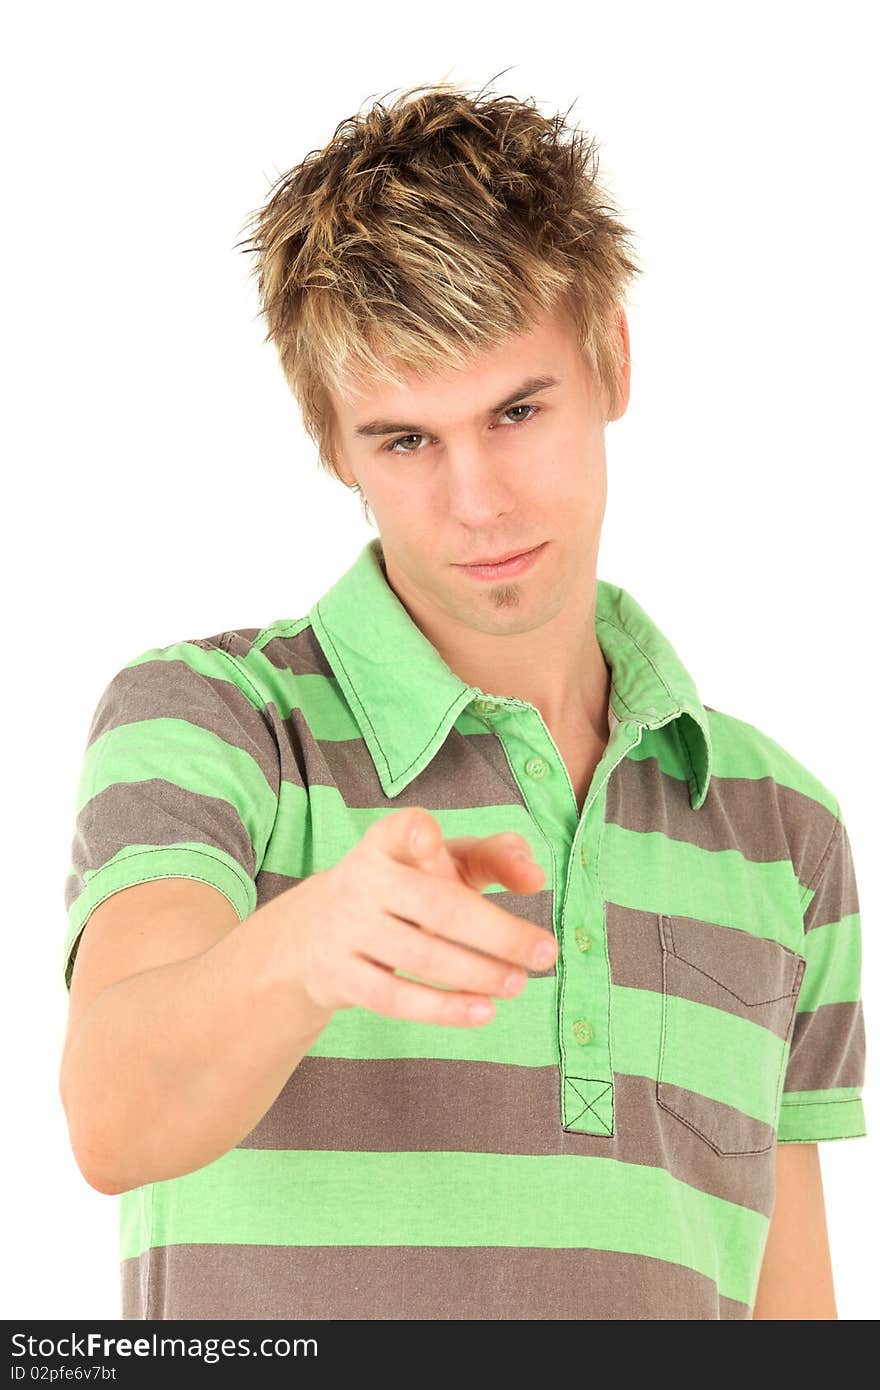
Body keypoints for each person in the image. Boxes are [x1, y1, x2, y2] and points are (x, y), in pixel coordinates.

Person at [59, 79, 867, 1321]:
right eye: (405, 440)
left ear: (612, 361)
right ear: (334, 444)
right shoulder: (214, 720)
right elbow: (110, 1115)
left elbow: (788, 1310)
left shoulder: (777, 824)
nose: (478, 501)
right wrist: (303, 951)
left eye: (518, 411)